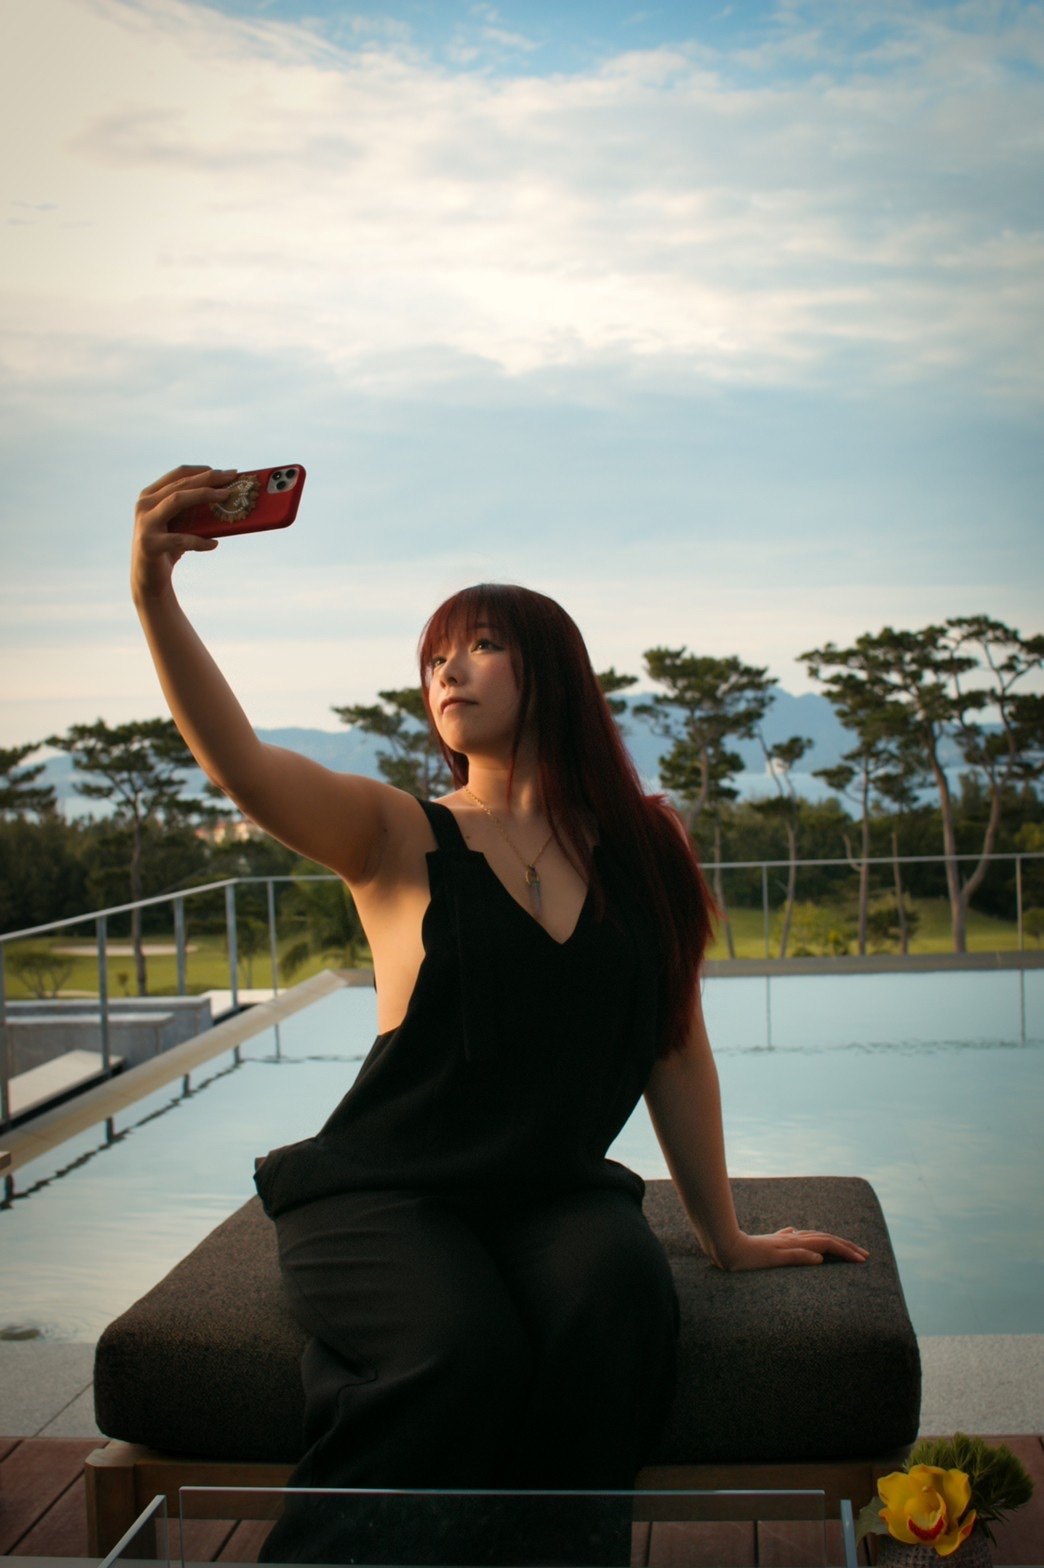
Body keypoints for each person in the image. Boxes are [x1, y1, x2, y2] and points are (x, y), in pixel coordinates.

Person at [132, 465, 868, 1564]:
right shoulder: (395, 833)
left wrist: (726, 1237)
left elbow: (675, 1046)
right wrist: (154, 593)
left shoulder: (646, 845)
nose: (448, 670)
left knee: (619, 1299)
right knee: (456, 1348)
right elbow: (239, 761)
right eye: (435, 656)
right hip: (384, 1192)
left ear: (552, 671)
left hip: (551, 1194)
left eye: (478, 645)